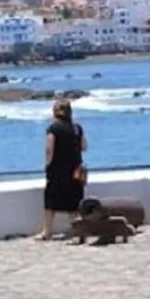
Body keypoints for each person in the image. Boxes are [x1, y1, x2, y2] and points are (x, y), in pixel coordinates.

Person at [37, 98, 87, 240]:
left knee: (50, 202)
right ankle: (77, 230)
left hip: (57, 170)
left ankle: (47, 232)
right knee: (74, 203)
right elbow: (84, 146)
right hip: (75, 170)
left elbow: (49, 149)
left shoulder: (53, 128)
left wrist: (47, 164)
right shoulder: (77, 128)